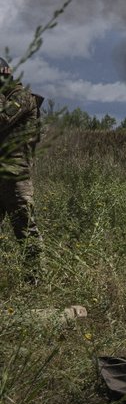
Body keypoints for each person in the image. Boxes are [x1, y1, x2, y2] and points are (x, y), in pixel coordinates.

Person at [0, 57, 43, 279]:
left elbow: (2, 120)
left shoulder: (22, 97)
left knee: (25, 228)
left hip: (16, 175)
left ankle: (35, 279)